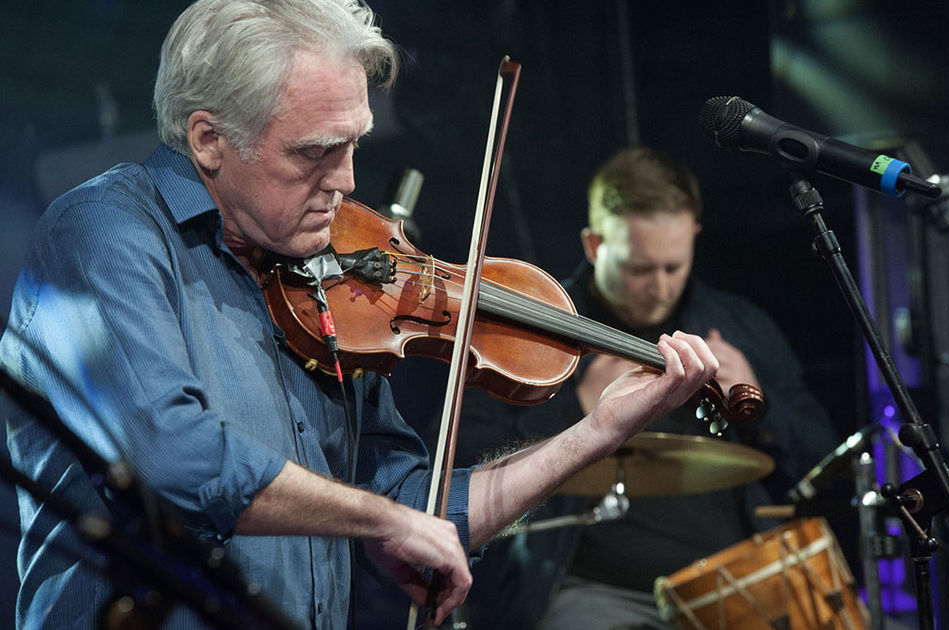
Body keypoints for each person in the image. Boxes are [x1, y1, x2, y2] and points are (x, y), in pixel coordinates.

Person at [0, 3, 721, 628]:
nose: (344, 182)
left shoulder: (323, 280)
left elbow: (423, 511)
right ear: (207, 140)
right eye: (313, 152)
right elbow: (169, 456)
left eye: (352, 146)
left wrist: (597, 431)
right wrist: (385, 520)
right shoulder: (104, 230)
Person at [448, 146, 841, 629]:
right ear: (594, 245)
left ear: (694, 234)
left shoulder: (740, 327)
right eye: (639, 269)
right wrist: (575, 408)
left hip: (735, 580)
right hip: (591, 592)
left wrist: (757, 401)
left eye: (673, 267)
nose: (658, 287)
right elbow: (457, 475)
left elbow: (823, 461)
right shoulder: (534, 332)